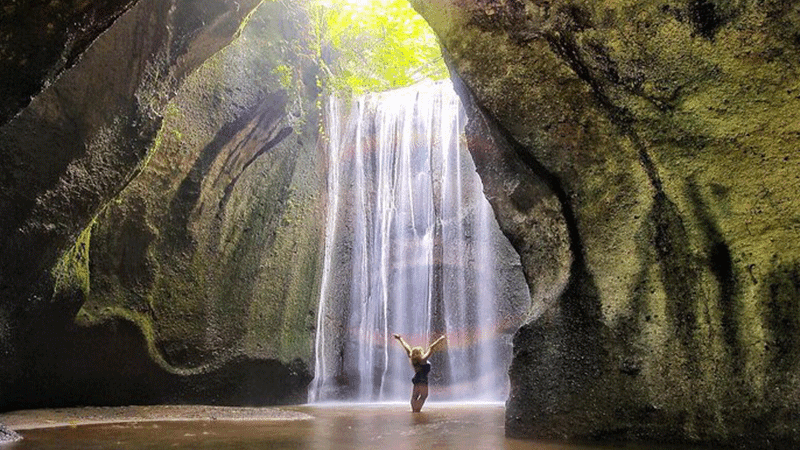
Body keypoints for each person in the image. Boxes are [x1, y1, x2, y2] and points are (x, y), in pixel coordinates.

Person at [393, 333, 447, 412]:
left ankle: (414, 410)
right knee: (424, 395)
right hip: (423, 379)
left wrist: (400, 339)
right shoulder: (423, 359)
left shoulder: (412, 358)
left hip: (416, 378)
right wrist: (440, 339)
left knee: (415, 396)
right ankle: (417, 410)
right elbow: (431, 347)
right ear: (420, 352)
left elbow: (407, 348)